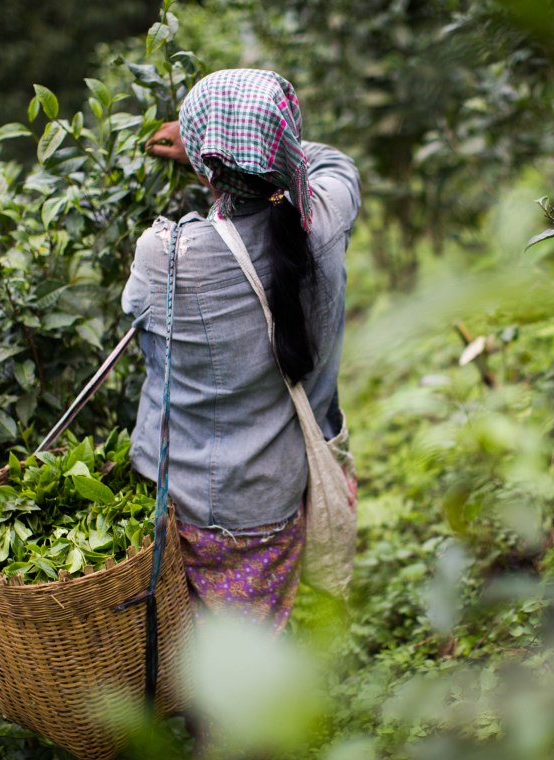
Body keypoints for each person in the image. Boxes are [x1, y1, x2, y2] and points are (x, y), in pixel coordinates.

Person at [121, 69, 360, 632]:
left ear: (206, 164)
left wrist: (198, 151)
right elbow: (338, 166)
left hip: (191, 502)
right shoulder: (323, 218)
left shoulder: (166, 255)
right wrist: (264, 148)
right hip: (274, 493)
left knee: (204, 656)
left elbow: (140, 320)